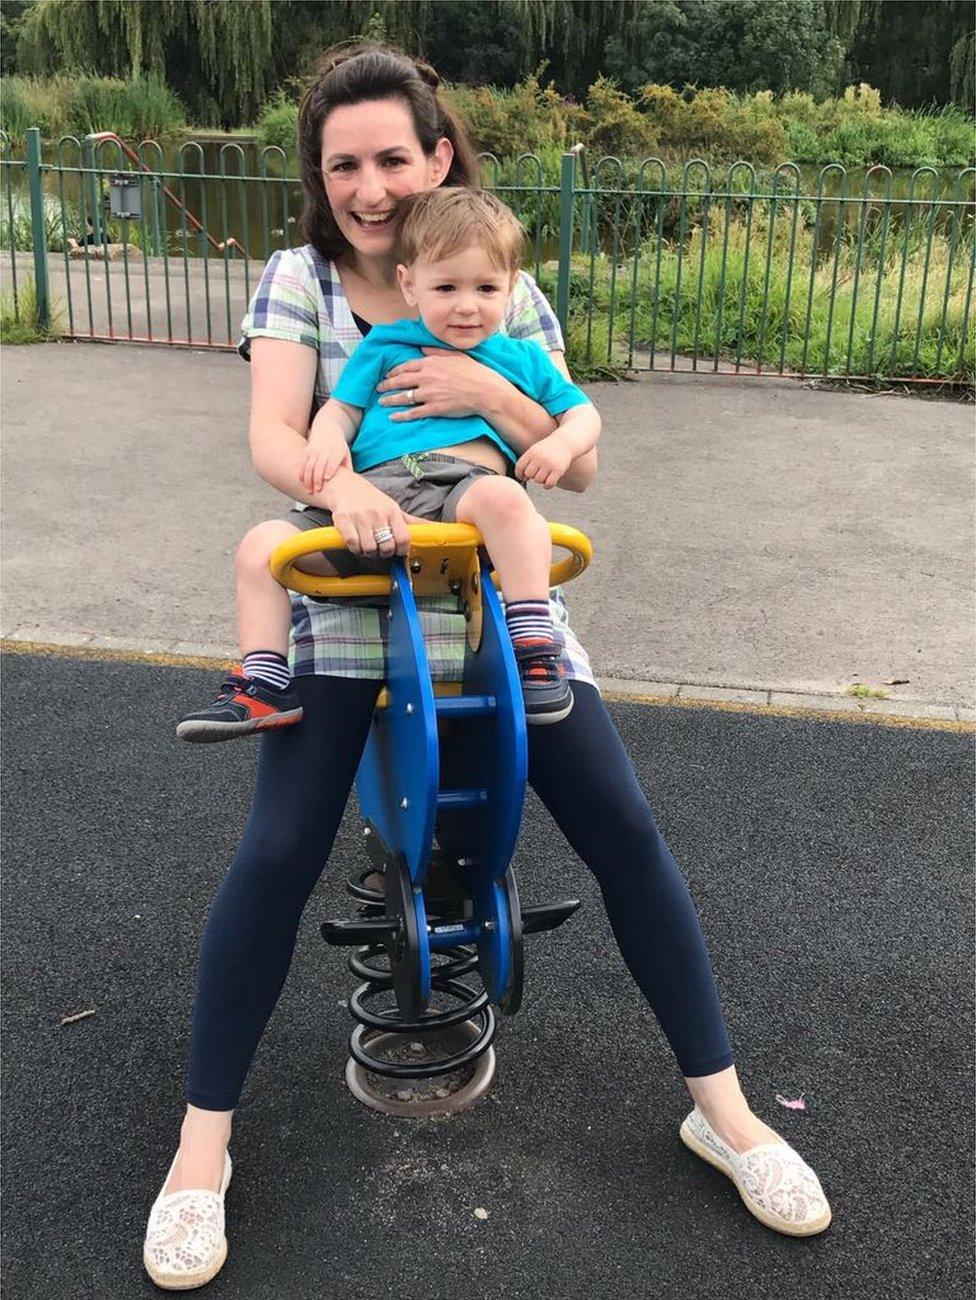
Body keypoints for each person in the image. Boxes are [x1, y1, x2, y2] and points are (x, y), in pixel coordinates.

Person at [144, 42, 831, 1293]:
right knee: (280, 846)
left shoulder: (491, 275)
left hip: (489, 593)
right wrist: (337, 478)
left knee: (622, 825)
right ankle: (201, 1155)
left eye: (390, 157)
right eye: (342, 162)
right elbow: (278, 434)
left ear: (438, 153)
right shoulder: (302, 279)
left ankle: (725, 1113)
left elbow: (572, 443)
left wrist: (487, 392)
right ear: (320, 174)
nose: (366, 184)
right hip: (359, 579)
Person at [176, 187, 600, 741]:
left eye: (486, 288)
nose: (467, 305)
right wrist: (327, 444)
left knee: (507, 499)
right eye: (446, 287)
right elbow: (341, 411)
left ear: (512, 289)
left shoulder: (519, 358)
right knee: (260, 547)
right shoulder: (386, 345)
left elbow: (584, 417)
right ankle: (264, 680)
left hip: (458, 491)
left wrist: (558, 446)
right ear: (410, 284)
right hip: (366, 500)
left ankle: (534, 650)